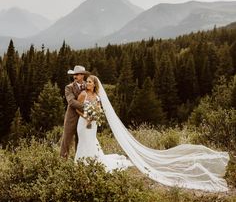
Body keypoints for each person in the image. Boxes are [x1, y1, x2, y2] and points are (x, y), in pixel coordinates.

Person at [74, 74, 230, 193]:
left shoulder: (98, 97)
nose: (87, 83)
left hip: (92, 125)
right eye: (86, 81)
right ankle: (81, 165)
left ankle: (91, 164)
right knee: (84, 142)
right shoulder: (83, 95)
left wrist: (94, 117)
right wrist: (86, 116)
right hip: (83, 124)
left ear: (94, 84)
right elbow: (76, 108)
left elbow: (100, 111)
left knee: (92, 142)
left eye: (89, 81)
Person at [60, 65, 90, 159]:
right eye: (74, 75)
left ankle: (78, 161)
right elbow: (71, 102)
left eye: (77, 74)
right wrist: (87, 107)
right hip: (71, 118)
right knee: (66, 140)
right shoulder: (68, 87)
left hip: (83, 118)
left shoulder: (88, 85)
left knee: (80, 140)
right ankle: (62, 161)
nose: (75, 76)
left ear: (83, 75)